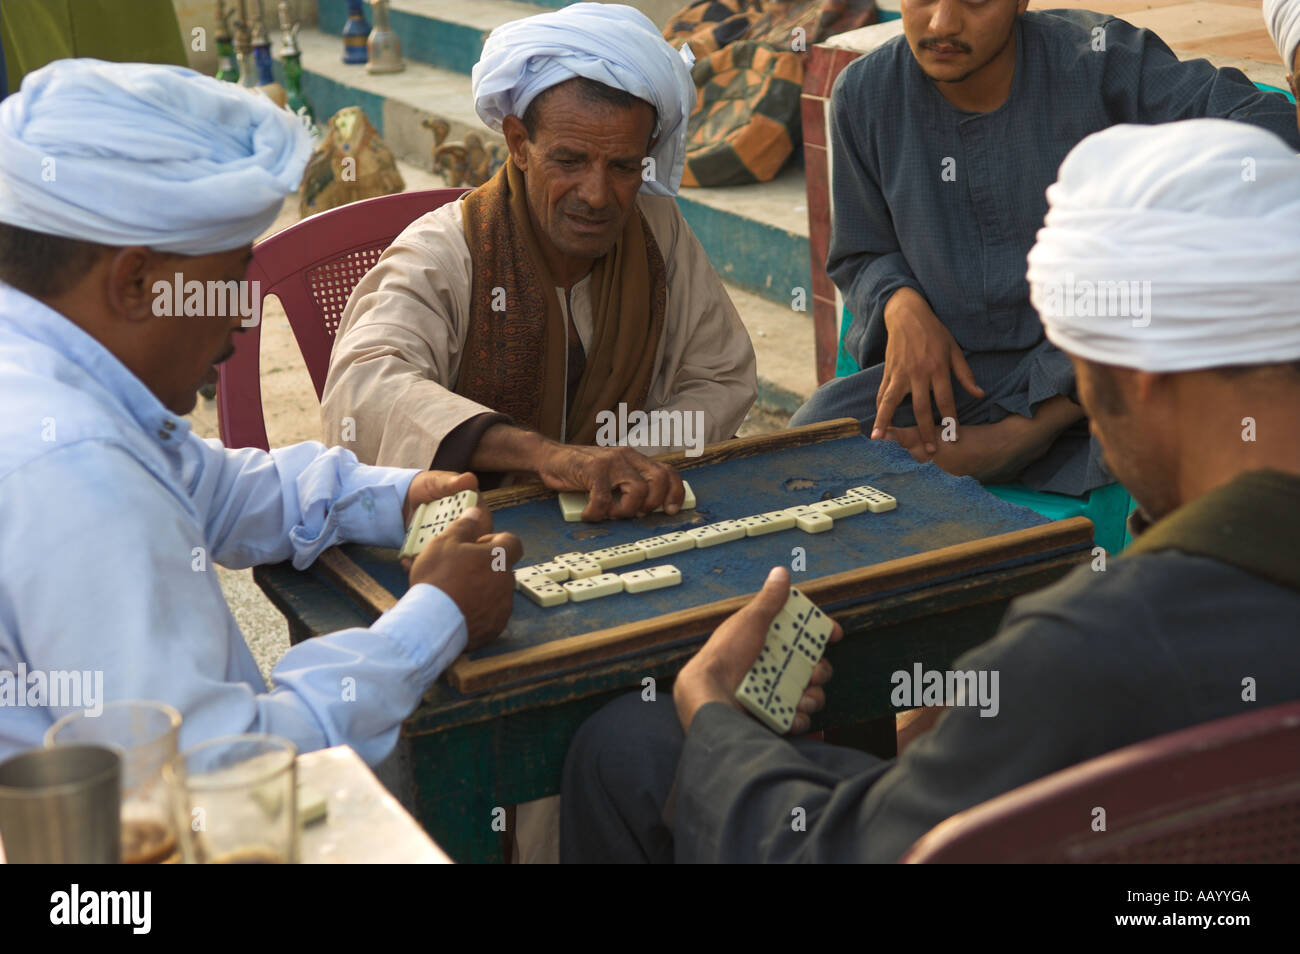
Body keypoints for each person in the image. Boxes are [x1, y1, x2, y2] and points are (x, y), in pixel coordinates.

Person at [559, 118, 1300, 862]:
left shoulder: (1089, 649)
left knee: (629, 749)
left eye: (1087, 389)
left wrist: (712, 706)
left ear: (1140, 383)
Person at [0, 59, 522, 765]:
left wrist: (392, 496)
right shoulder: (74, 468)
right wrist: (435, 620)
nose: (244, 321)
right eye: (226, 284)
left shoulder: (47, 369)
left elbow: (209, 487)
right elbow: (215, 768)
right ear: (135, 282)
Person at [790, 0, 1300, 496]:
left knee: (1175, 445)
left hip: (1097, 380)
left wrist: (1155, 217)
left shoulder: (1101, 59)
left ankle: (1025, 435)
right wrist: (898, 302)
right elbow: (861, 251)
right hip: (960, 379)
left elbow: (1264, 121)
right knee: (809, 447)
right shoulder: (865, 93)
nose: (942, 22)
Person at [320, 3, 757, 521]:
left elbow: (720, 374)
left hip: (622, 515)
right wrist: (549, 459)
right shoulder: (444, 251)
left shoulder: (655, 228)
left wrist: (626, 464)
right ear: (518, 144)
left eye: (621, 166)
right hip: (475, 535)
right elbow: (365, 386)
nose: (596, 195)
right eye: (569, 161)